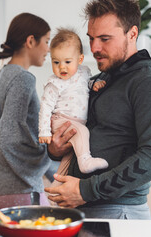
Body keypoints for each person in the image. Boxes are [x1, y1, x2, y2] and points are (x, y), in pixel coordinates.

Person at [45, 0, 151, 219]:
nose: (94, 48)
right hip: (81, 209)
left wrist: (85, 190)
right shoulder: (98, 81)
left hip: (118, 211)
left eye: (105, 39)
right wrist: (55, 149)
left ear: (132, 33)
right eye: (91, 38)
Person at [0, 12, 52, 209]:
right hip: (19, 190)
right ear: (31, 41)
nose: (48, 49)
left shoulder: (1, 75)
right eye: (46, 41)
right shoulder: (23, 78)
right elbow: (9, 138)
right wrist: (43, 161)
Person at [39, 28, 108, 178]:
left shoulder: (83, 73)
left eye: (67, 62)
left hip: (75, 122)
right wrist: (44, 131)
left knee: (68, 159)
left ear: (80, 59)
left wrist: (94, 85)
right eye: (56, 62)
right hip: (62, 120)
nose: (61, 67)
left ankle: (58, 183)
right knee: (82, 132)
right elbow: (45, 108)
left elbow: (84, 86)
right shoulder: (54, 84)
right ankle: (86, 161)